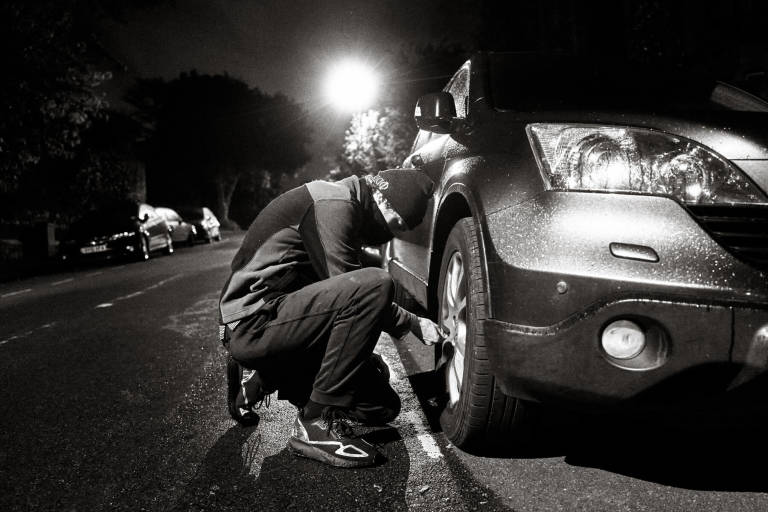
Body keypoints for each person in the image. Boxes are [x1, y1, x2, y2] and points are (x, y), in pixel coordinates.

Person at [219, 169, 442, 468]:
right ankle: (314, 424)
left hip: (286, 320)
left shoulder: (350, 205)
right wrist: (413, 323)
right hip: (254, 322)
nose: (394, 233)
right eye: (397, 224)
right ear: (383, 200)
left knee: (381, 407)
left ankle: (264, 378)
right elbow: (357, 293)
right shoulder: (333, 204)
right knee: (375, 284)